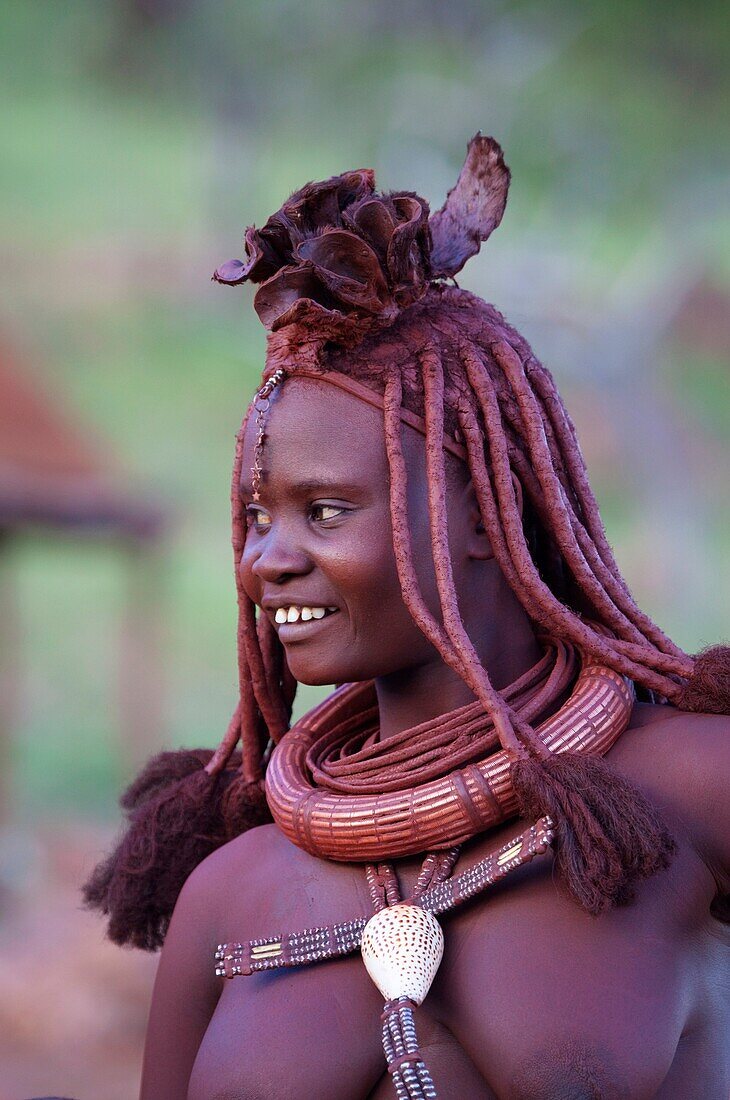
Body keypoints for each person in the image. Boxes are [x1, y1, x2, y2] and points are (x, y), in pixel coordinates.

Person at [84, 135, 729, 1099]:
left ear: (483, 508)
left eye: (326, 511)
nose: (265, 560)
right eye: (257, 518)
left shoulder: (690, 786)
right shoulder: (230, 891)